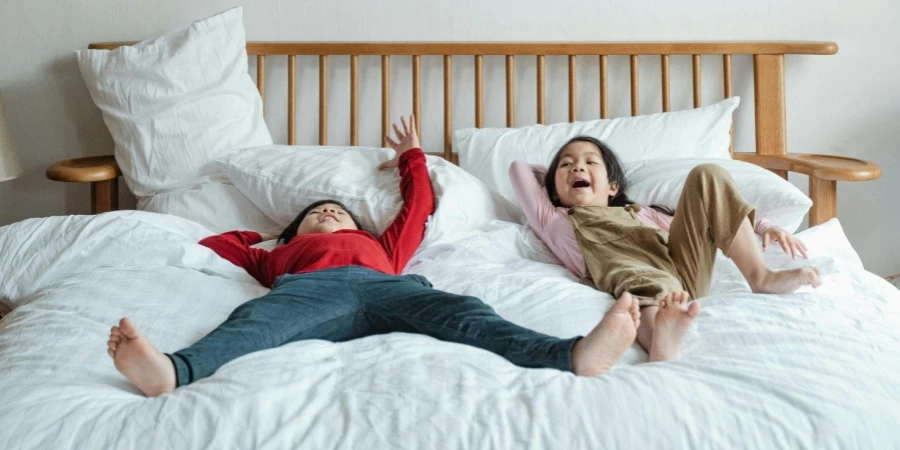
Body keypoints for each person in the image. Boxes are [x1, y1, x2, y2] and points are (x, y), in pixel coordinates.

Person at [106, 117, 642, 397]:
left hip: (388, 286)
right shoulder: (278, 255)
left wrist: (412, 156)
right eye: (317, 213)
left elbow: (419, 206)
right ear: (291, 232)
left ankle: (570, 355)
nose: (330, 214)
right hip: (310, 291)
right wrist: (248, 237)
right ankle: (174, 371)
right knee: (253, 322)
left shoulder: (383, 244)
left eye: (339, 212)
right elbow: (219, 246)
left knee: (471, 316)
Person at [509, 136, 821, 362]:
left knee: (708, 175)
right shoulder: (553, 218)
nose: (578, 168)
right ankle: (661, 339)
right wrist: (558, 177)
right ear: (552, 191)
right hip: (639, 275)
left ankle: (761, 277)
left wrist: (765, 226)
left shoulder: (642, 213)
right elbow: (519, 169)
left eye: (590, 162)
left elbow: (714, 212)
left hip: (682, 267)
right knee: (642, 279)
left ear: (613, 187)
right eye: (567, 165)